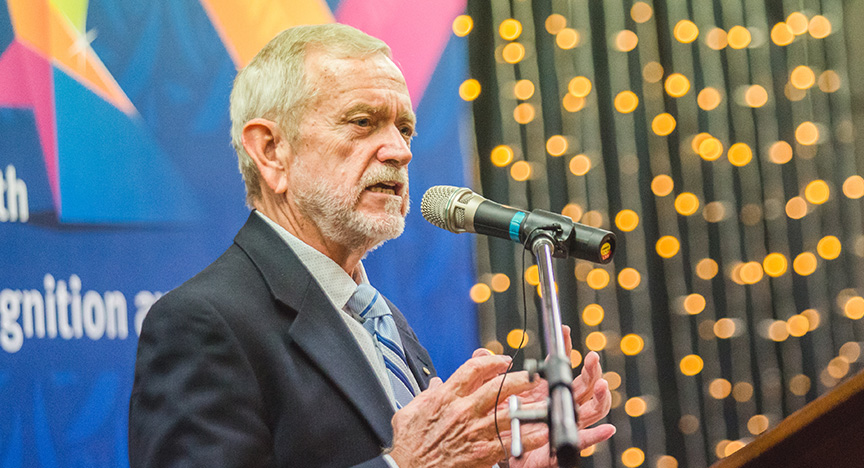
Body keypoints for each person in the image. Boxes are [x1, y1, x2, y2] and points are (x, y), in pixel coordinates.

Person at [128, 23, 615, 468]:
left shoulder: (383, 321)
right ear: (272, 151)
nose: (400, 150)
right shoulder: (201, 323)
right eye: (362, 121)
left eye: (404, 128)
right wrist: (404, 465)